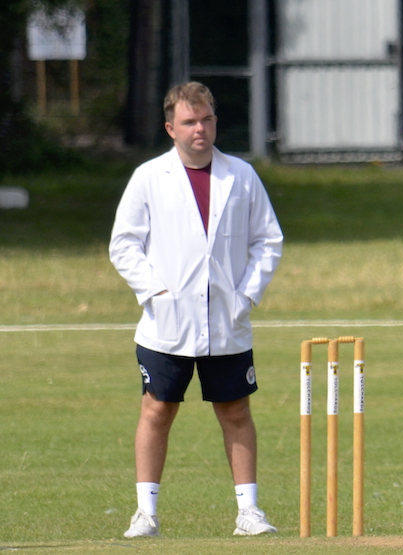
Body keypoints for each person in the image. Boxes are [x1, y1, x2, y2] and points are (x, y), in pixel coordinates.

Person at [109, 82, 283, 538]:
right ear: (171, 128)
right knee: (157, 410)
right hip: (165, 323)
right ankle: (145, 514)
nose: (200, 129)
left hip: (227, 321)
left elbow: (268, 240)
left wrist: (246, 295)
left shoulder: (241, 175)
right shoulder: (149, 177)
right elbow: (124, 244)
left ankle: (249, 512)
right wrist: (153, 292)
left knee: (235, 411)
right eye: (189, 122)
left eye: (206, 119)